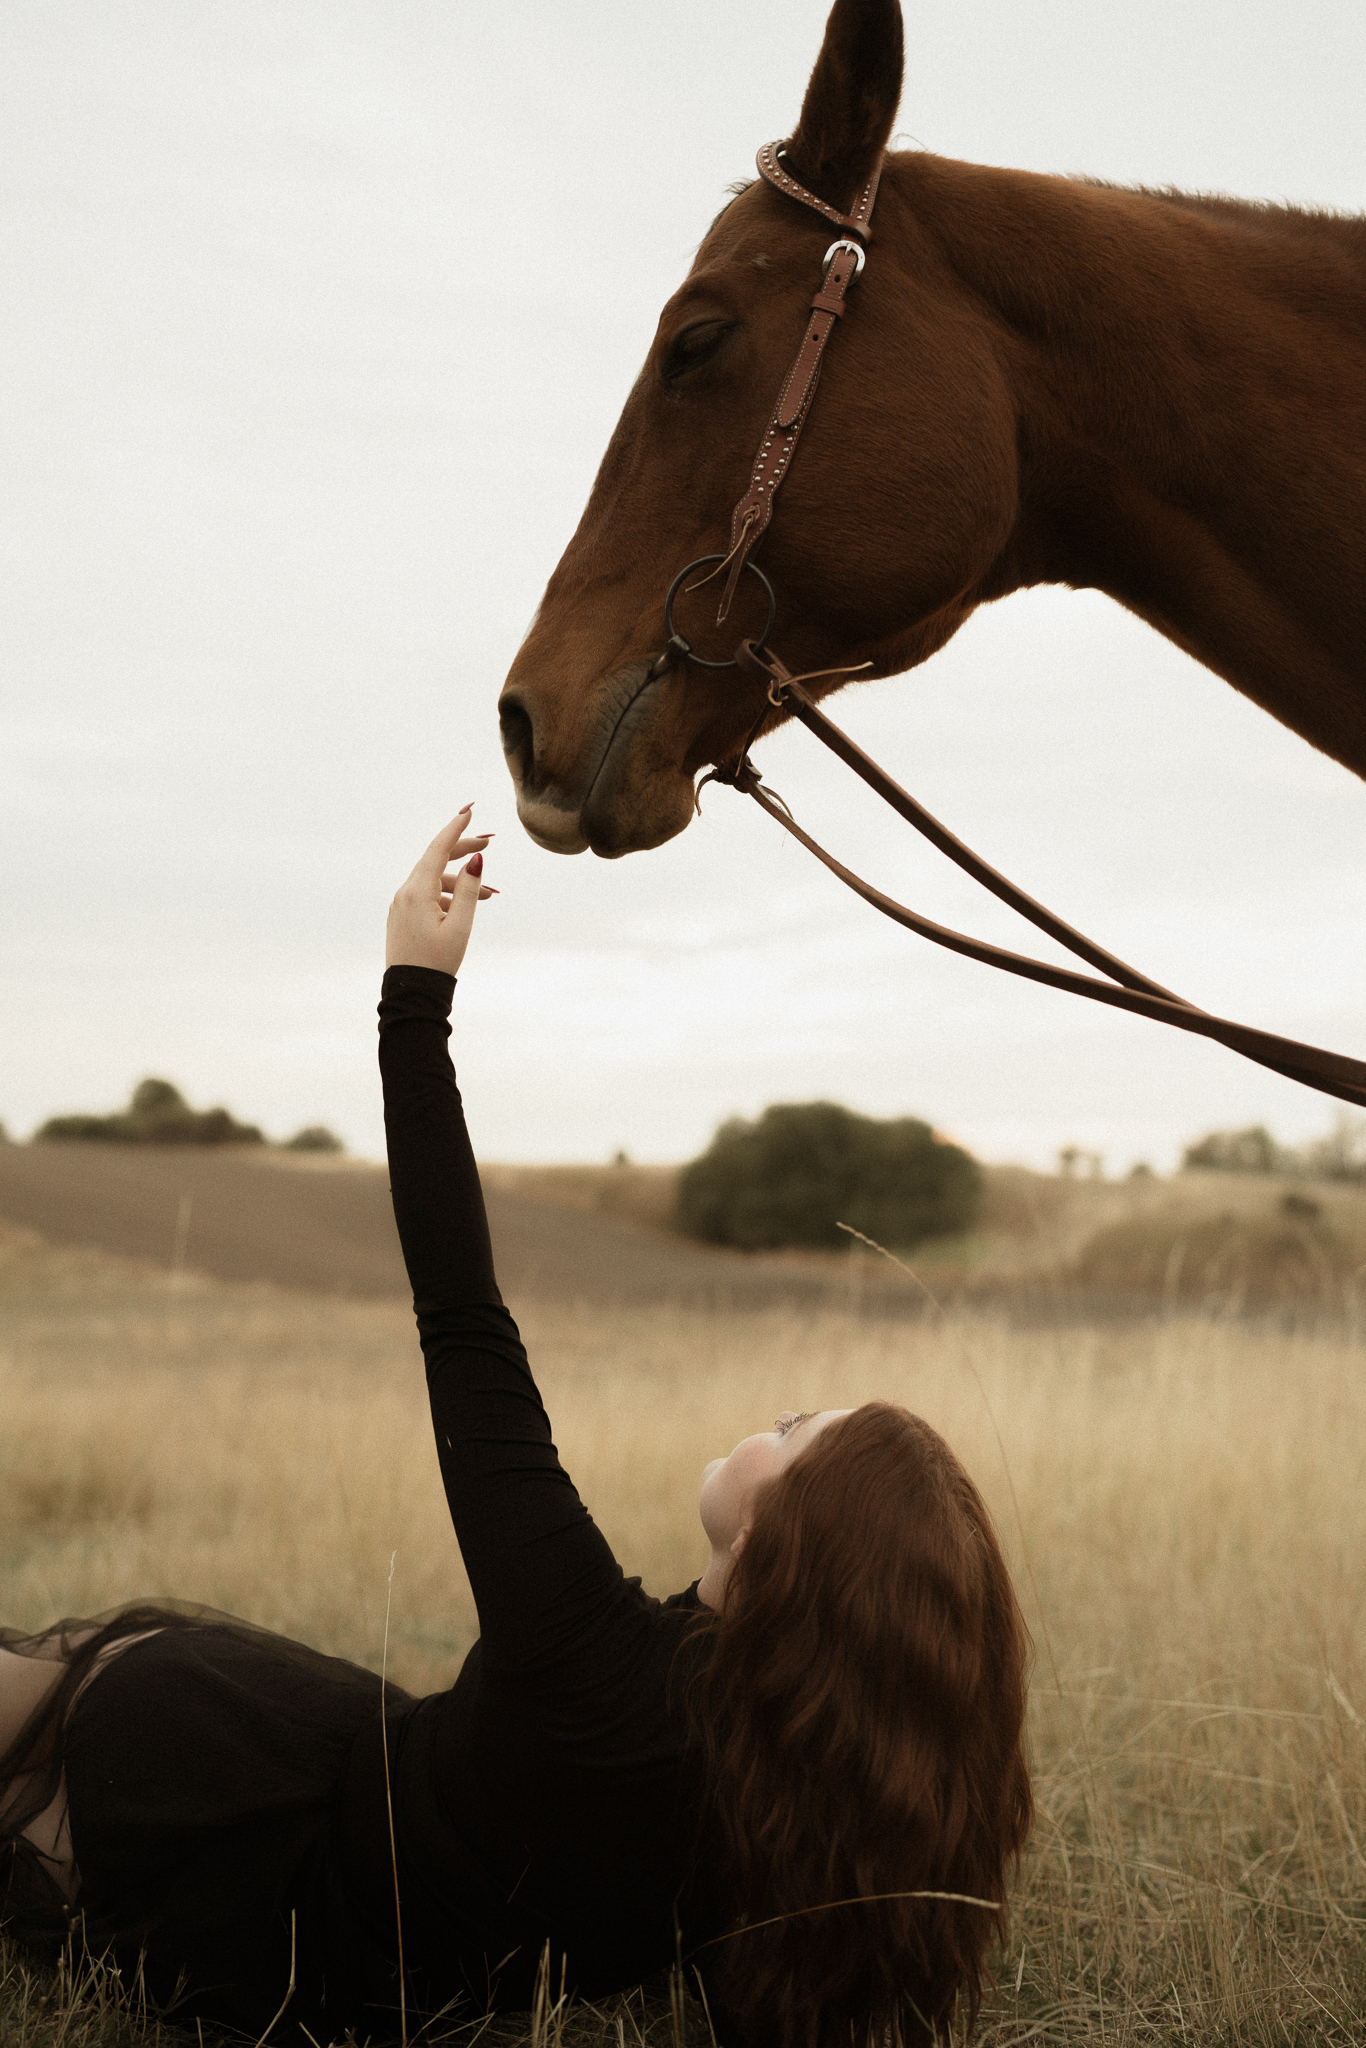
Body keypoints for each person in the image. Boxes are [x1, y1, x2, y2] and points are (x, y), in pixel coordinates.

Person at [0, 814, 1032, 2048]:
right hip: (345, 1854)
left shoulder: (589, 1666)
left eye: (796, 1427)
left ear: (787, 1533)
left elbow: (461, 1311)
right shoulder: (785, 1802)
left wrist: (413, 993)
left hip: (215, 1783)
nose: (769, 1416)